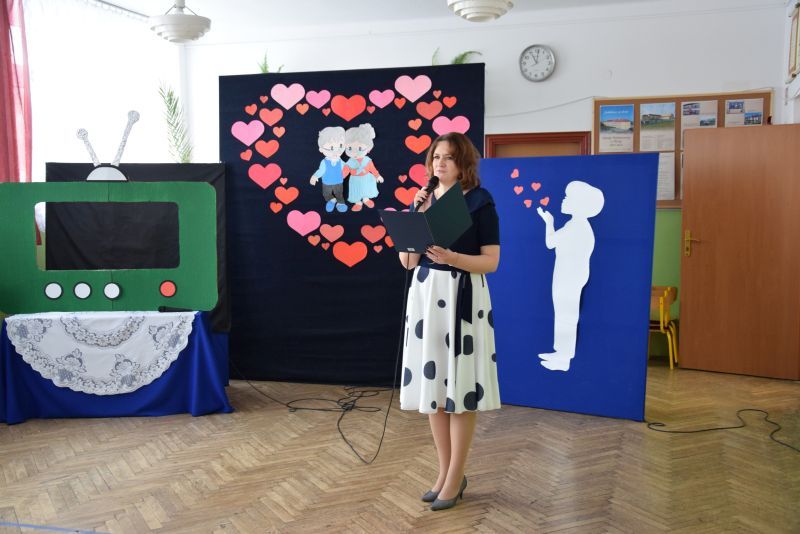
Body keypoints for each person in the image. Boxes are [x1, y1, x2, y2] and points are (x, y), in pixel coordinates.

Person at [398, 132, 501, 511]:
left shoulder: (479, 201)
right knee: (435, 391)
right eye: (436, 157)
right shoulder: (422, 201)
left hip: (462, 295)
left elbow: (491, 261)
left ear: (463, 164)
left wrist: (453, 258)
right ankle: (444, 473)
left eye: (448, 158)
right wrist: (415, 217)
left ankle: (456, 476)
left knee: (460, 390)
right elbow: (407, 262)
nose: (439, 163)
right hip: (427, 297)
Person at [536, 180, 604, 371]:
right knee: (564, 315)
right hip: (570, 276)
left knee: (566, 316)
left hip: (568, 278)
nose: (563, 200)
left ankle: (564, 359)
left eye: (568, 197)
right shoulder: (577, 225)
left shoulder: (576, 227)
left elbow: (550, 243)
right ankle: (560, 353)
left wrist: (549, 222)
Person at [343, 123, 384, 211]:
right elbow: (345, 170)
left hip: (366, 177)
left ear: (368, 148)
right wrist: (340, 177)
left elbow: (373, 169)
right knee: (356, 191)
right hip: (355, 179)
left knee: (366, 189)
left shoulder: (367, 160)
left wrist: (377, 176)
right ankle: (358, 202)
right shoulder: (350, 162)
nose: (355, 152)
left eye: (359, 148)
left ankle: (366, 199)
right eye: (350, 148)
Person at [309, 126, 348, 213]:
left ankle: (340, 203)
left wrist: (350, 170)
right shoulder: (324, 162)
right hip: (327, 182)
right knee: (326, 194)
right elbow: (320, 170)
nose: (336, 151)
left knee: (339, 193)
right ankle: (331, 200)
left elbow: (346, 168)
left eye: (340, 146)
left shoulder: (340, 161)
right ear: (321, 149)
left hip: (338, 181)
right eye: (331, 148)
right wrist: (315, 176)